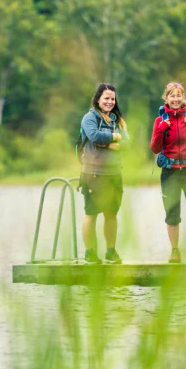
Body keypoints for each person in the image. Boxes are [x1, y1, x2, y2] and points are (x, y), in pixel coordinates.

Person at [150, 82, 186, 263]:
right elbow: (154, 148)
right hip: (170, 173)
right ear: (166, 98)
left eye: (178, 96)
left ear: (183, 97)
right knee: (172, 215)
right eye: (172, 96)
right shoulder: (160, 120)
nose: (176, 99)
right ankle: (175, 251)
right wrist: (161, 130)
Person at [79, 83, 130, 264]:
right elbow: (95, 136)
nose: (109, 102)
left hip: (114, 174)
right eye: (106, 98)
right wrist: (116, 138)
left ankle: (110, 251)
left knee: (111, 213)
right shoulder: (89, 118)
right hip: (93, 173)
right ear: (98, 99)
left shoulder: (117, 120)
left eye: (112, 99)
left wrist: (109, 142)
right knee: (91, 213)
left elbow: (128, 144)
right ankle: (89, 253)